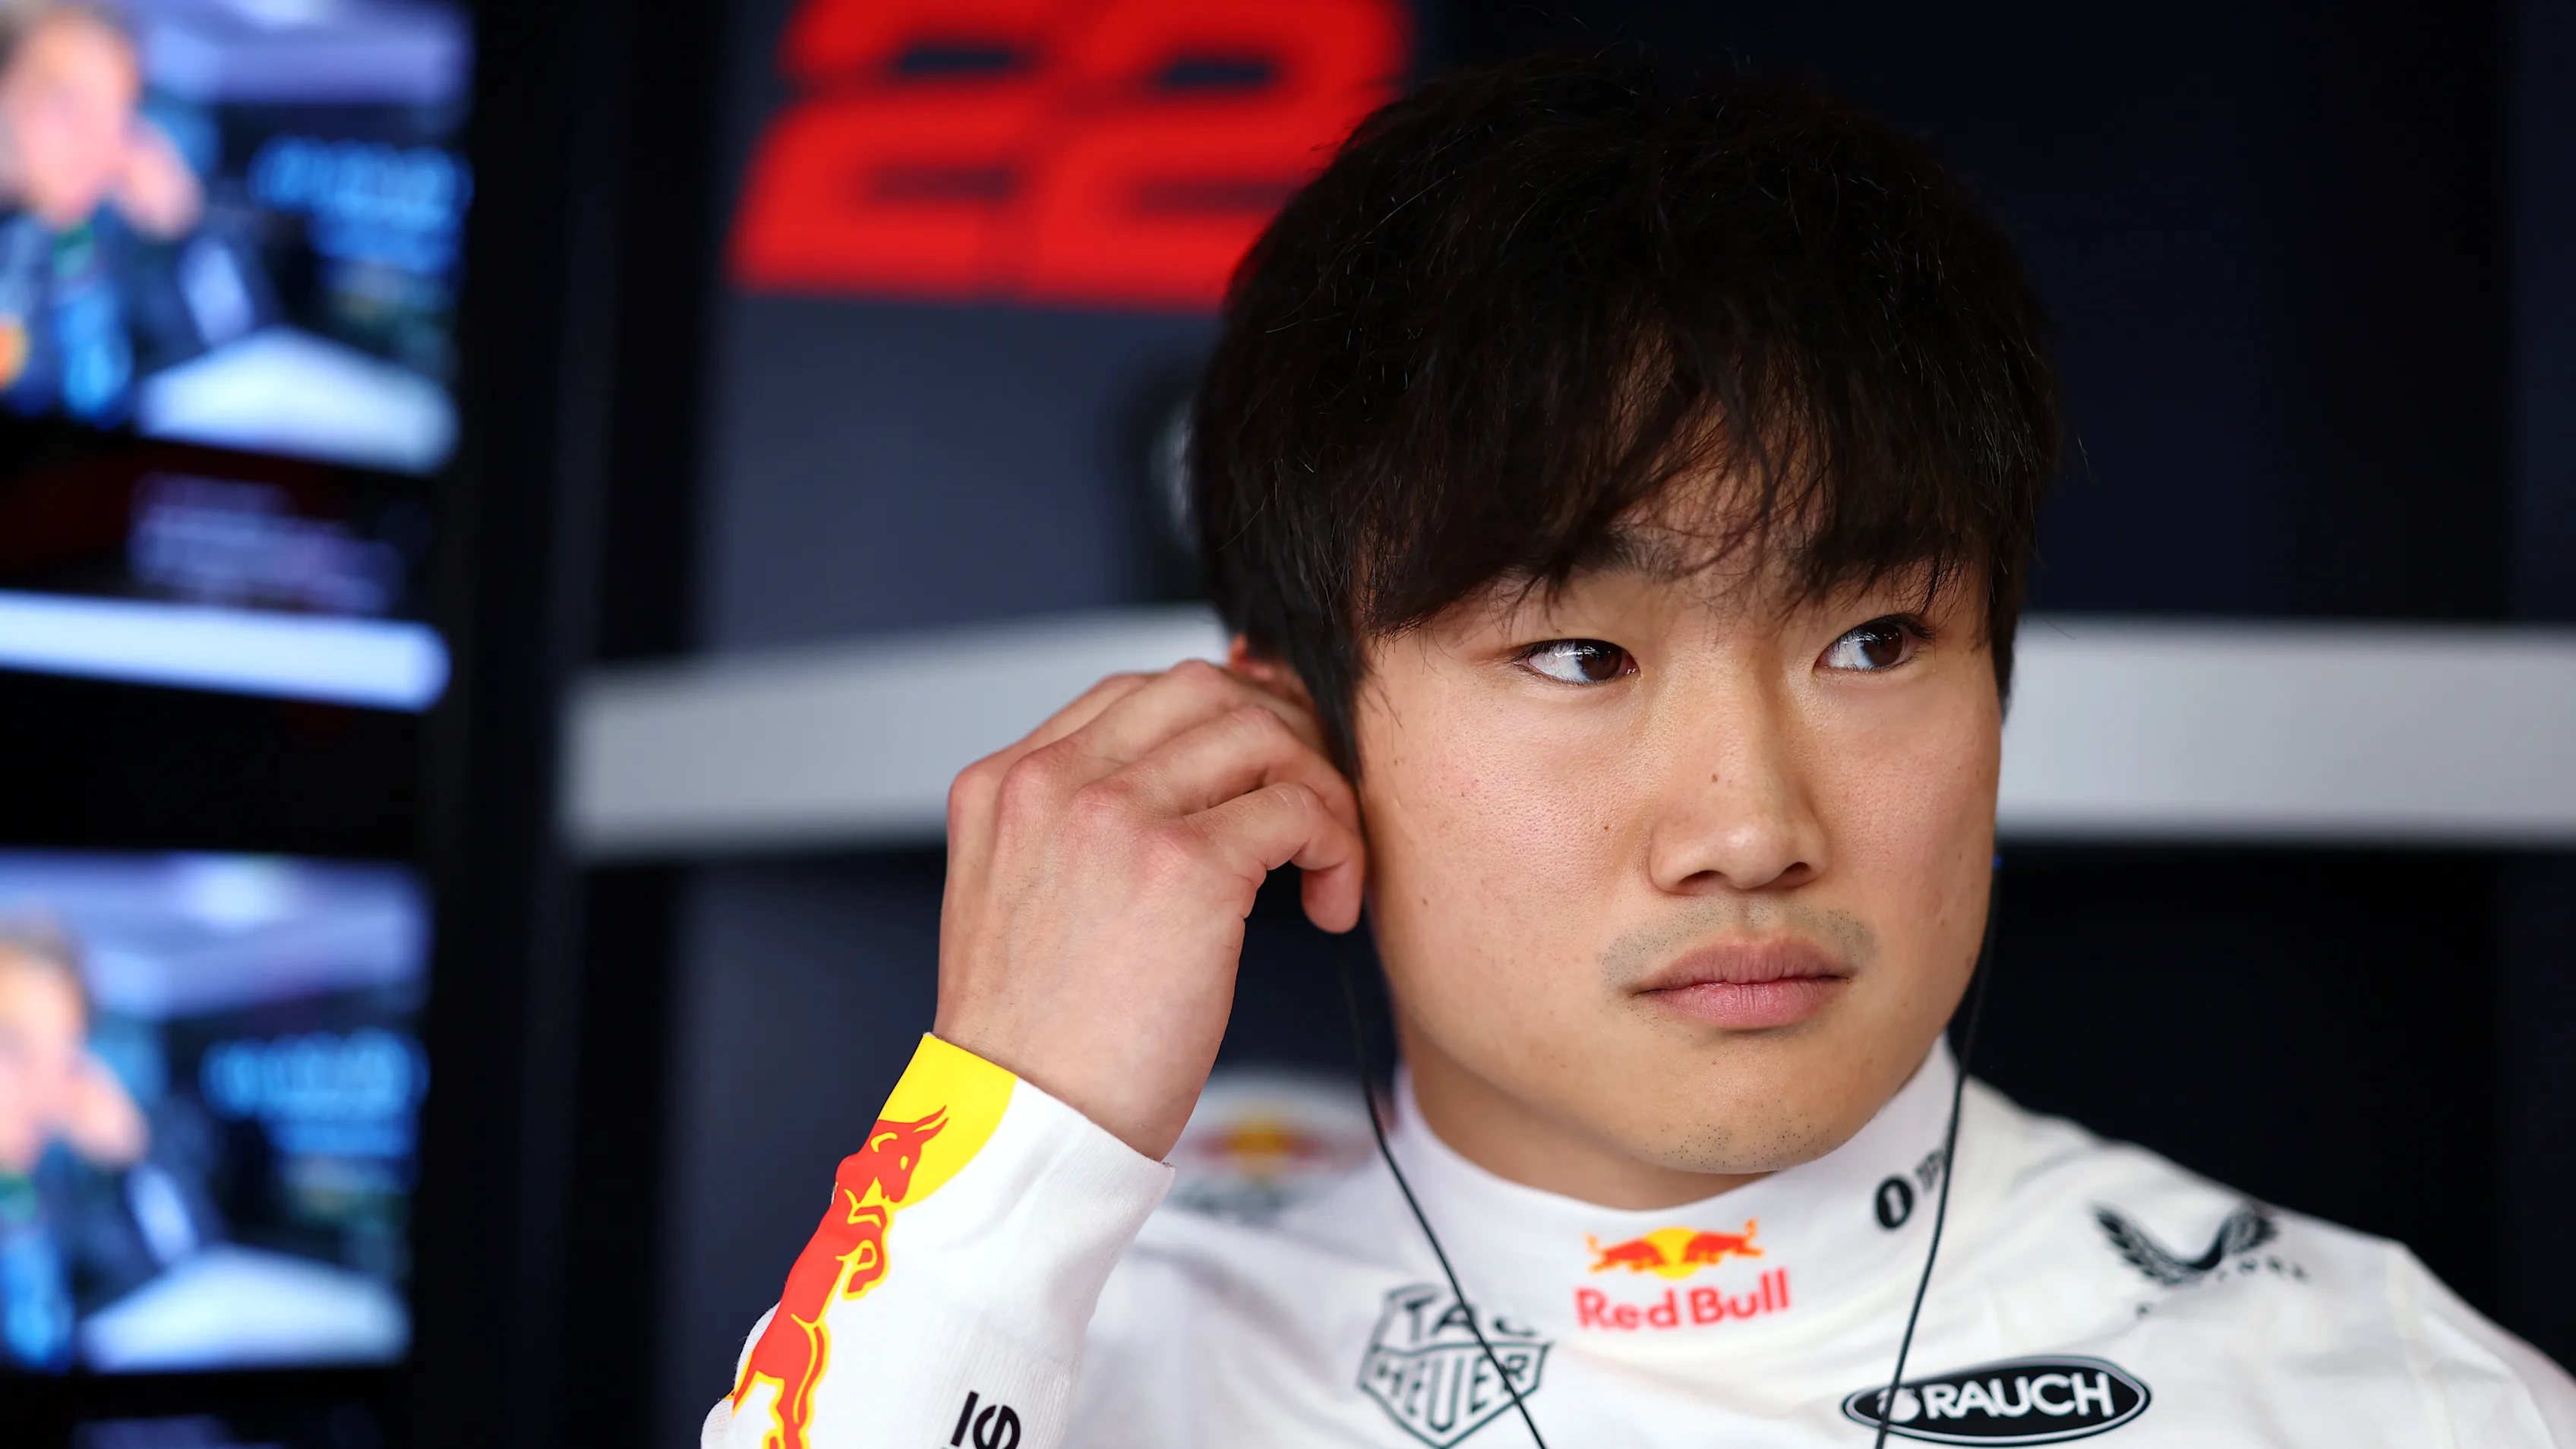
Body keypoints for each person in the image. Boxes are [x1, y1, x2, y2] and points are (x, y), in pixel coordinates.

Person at [702, 54, 2576, 1448]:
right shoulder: (1041, 1345)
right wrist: (1001, 1125)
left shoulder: (2372, 1388)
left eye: (1872, 638)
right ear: (1299, 735)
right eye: (1580, 652)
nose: (1750, 825)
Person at [0, 0, 200, 420]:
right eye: (69, 107)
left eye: (120, 114)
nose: (103, 150)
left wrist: (175, 240)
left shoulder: (95, 226)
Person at [0, 919, 146, 1368]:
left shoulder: (52, 1184)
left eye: (64, 1059)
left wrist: (130, 1161)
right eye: (15, 1046)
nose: (47, 1093)